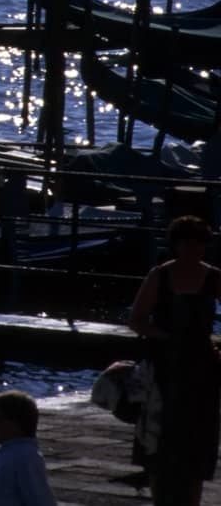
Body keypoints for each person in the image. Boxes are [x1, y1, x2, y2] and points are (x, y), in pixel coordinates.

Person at [128, 213, 221, 506]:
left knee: (197, 438)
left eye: (197, 244)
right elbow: (137, 319)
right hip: (165, 365)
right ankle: (160, 496)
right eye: (186, 244)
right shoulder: (159, 275)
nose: (192, 250)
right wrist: (165, 337)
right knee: (159, 434)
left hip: (202, 367)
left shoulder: (215, 277)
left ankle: (191, 499)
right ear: (176, 245)